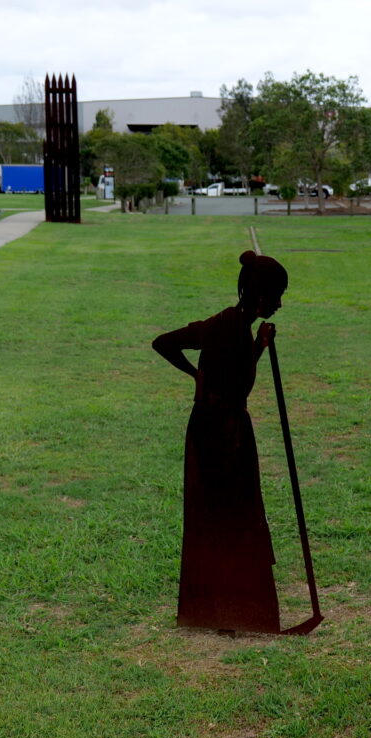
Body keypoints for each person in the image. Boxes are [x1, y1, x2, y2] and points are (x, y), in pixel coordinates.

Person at [152, 250, 288, 632]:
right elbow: (239, 381)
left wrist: (203, 372)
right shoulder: (230, 327)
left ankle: (223, 611)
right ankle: (230, 612)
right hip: (222, 432)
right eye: (276, 296)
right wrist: (198, 373)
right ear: (259, 295)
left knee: (224, 513)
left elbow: (165, 344)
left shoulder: (226, 323)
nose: (279, 304)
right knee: (231, 513)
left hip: (215, 426)